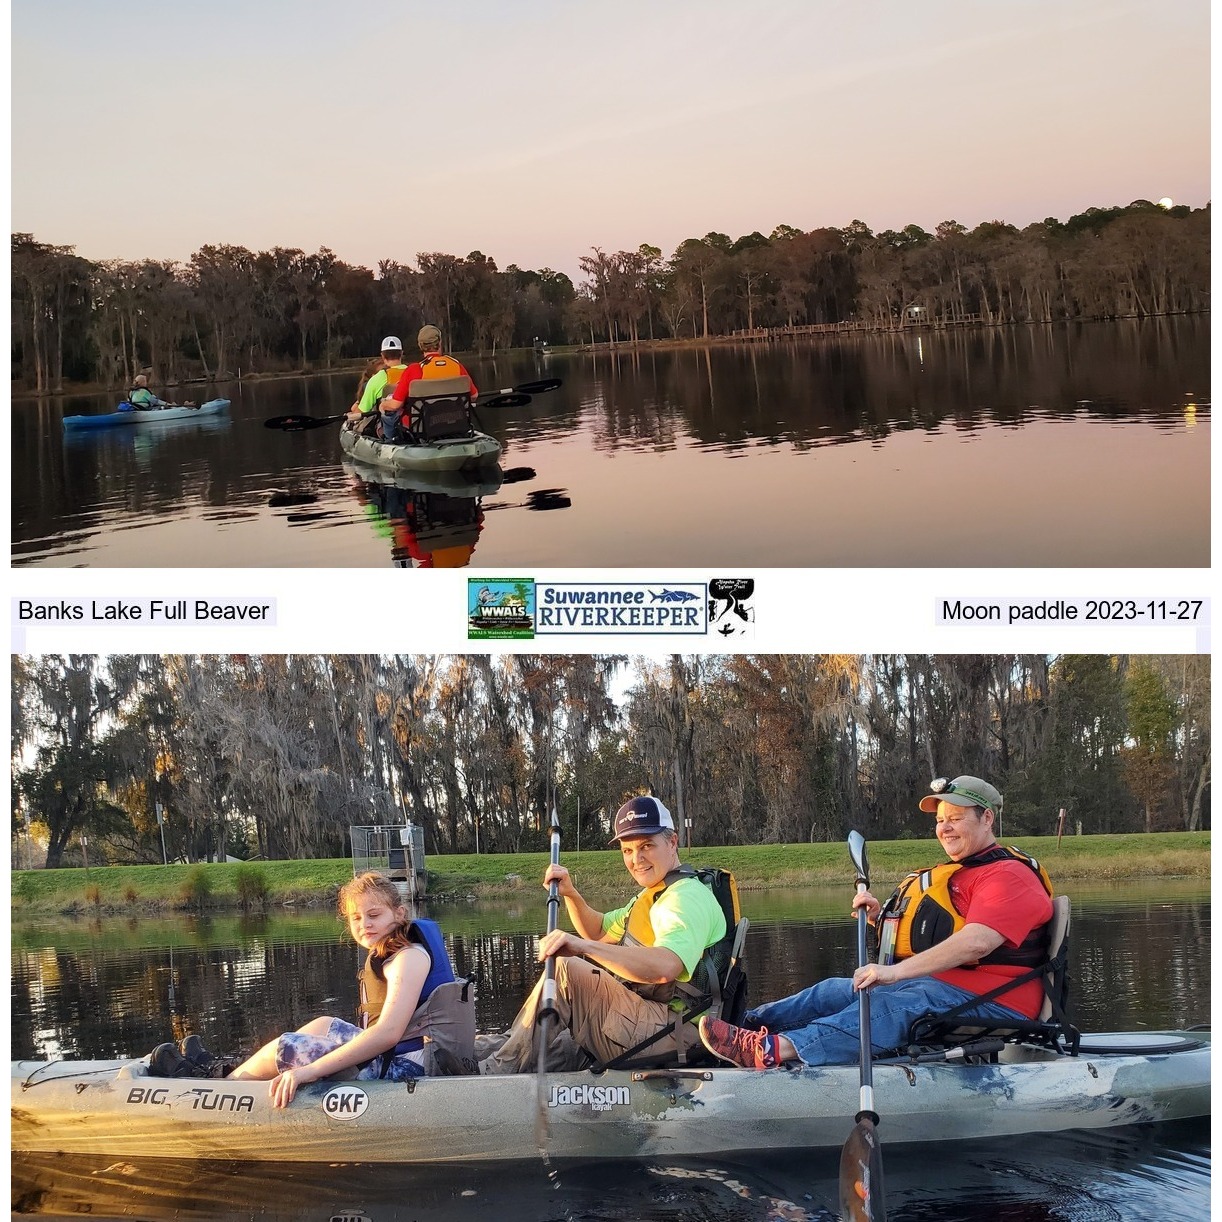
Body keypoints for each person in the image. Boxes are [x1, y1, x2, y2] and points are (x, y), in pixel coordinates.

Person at [698, 775, 1055, 1069]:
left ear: (987, 818)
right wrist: (878, 919)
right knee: (835, 991)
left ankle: (777, 1050)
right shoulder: (962, 873)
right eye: (940, 820)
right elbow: (937, 935)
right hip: (944, 987)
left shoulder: (1008, 875)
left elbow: (978, 942)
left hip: (997, 999)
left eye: (956, 818)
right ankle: (741, 1027)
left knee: (893, 1005)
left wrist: (895, 973)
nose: (944, 828)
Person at [147, 872, 476, 1105]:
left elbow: (389, 1034)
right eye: (356, 918)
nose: (365, 925)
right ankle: (227, 1071)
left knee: (289, 1048)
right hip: (402, 1055)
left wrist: (308, 1072)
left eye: (375, 914)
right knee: (322, 1024)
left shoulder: (408, 957)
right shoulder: (397, 950)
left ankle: (222, 1088)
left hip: (412, 1068)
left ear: (399, 913)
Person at [480, 795, 726, 1074]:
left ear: (672, 842)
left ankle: (488, 1078)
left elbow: (666, 966)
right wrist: (571, 894)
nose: (637, 859)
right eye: (628, 850)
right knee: (546, 1043)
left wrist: (580, 947)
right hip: (651, 1020)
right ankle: (468, 1061)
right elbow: (598, 931)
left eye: (647, 846)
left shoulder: (683, 898)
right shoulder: (656, 894)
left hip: (677, 1032)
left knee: (567, 972)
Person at [379, 325, 480, 441]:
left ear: (420, 345)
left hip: (422, 430)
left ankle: (389, 442)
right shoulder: (456, 365)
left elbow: (395, 405)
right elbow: (474, 396)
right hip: (455, 425)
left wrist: (383, 405)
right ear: (440, 343)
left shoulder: (414, 369)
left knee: (389, 413)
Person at [346, 337, 408, 439]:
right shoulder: (412, 373)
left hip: (388, 430)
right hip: (412, 425)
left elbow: (362, 411)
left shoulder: (376, 379)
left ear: (382, 356)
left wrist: (350, 416)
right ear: (401, 353)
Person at [127, 374, 193, 411]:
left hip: (137, 410)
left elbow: (129, 402)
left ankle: (178, 405)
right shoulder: (144, 392)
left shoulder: (131, 392)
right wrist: (167, 404)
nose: (147, 383)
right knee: (163, 406)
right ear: (143, 382)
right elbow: (156, 401)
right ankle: (182, 406)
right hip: (145, 410)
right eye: (146, 381)